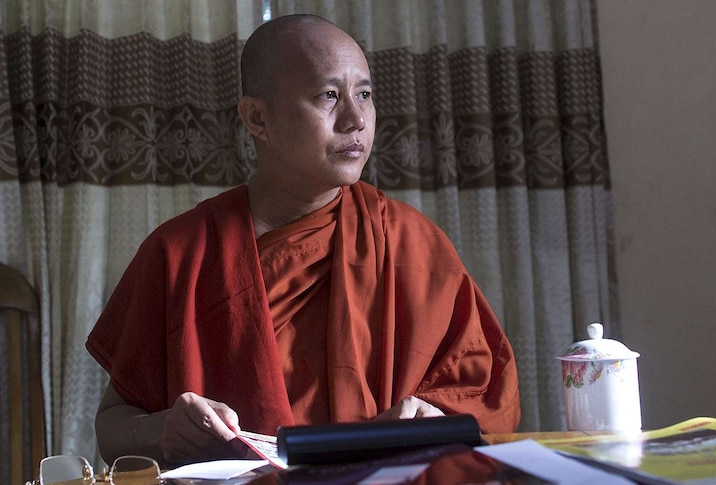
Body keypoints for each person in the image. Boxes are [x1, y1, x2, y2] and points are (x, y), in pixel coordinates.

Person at [86, 14, 520, 467]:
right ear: (258, 117)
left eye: (365, 95)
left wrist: (435, 419)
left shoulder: (413, 244)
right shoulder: (181, 254)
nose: (355, 120)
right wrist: (163, 431)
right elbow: (113, 425)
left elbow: (485, 403)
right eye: (328, 95)